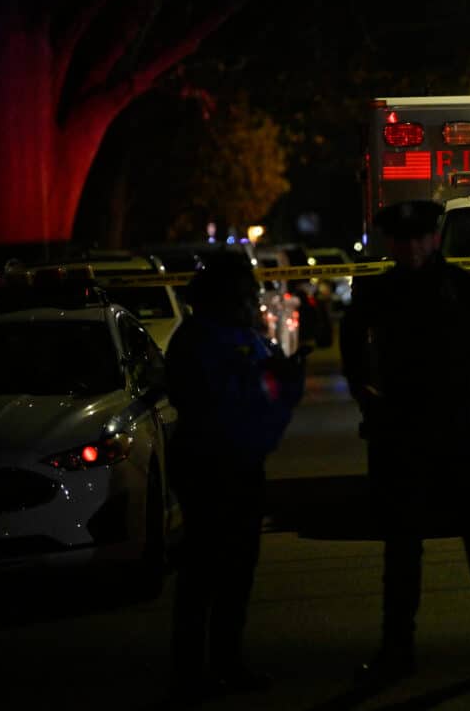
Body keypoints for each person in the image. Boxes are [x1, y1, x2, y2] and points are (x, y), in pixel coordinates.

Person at [339, 199, 470, 684]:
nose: (409, 248)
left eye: (417, 238)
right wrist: (364, 391)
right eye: (401, 240)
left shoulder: (460, 287)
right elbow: (350, 335)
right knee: (402, 548)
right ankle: (397, 651)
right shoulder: (383, 293)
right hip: (403, 433)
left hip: (461, 431)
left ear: (432, 239)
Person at [163, 250, 307, 704]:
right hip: (212, 466)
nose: (252, 300)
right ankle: (195, 670)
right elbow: (218, 400)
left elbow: (267, 391)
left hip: (239, 464)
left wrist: (284, 376)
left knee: (236, 570)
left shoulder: (235, 335)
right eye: (246, 291)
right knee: (206, 571)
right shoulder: (202, 340)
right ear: (228, 294)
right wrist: (274, 379)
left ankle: (225, 662)